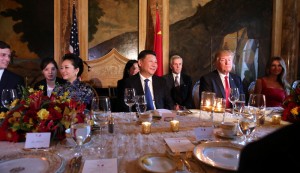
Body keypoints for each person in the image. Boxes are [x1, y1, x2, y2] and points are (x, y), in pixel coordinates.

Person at [0, 41, 24, 112]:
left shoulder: (16, 80)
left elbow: (19, 108)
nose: (8, 59)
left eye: (9, 56)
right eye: (3, 55)